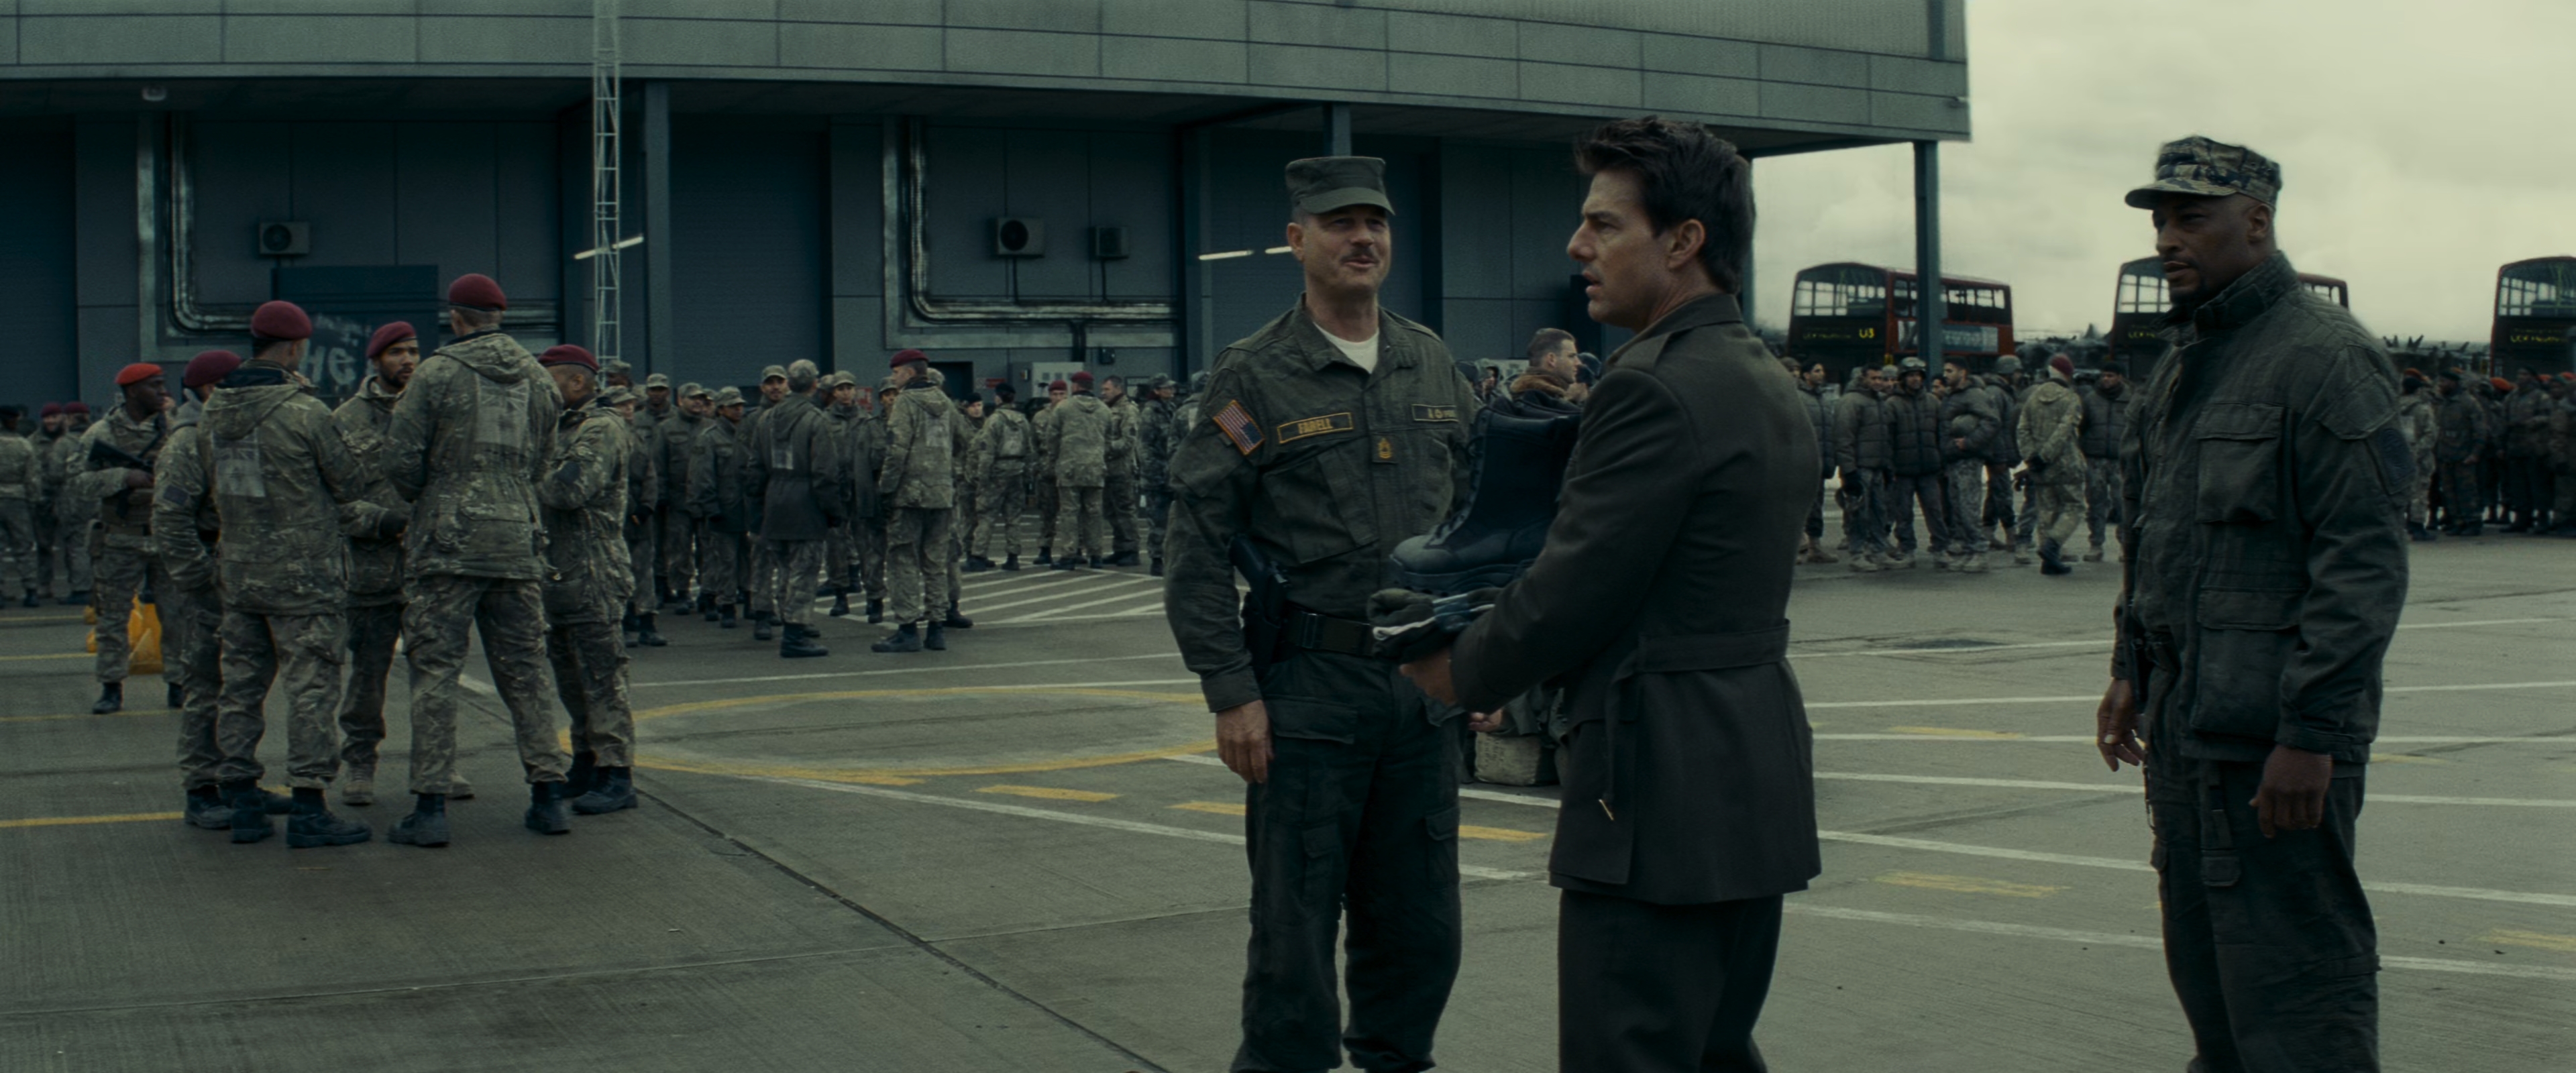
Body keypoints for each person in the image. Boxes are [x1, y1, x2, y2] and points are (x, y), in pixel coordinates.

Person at [1402, 116, 1815, 1073]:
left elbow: (1573, 586)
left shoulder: (1649, 388)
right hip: (1747, 767)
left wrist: (1459, 670)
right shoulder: (1759, 375)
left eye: (1604, 224)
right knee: (1712, 1049)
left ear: (1684, 241)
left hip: (1656, 784)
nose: (1577, 246)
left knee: (1625, 1051)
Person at [1161, 154, 1478, 1073]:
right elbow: (1196, 542)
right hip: (1308, 692)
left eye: (1375, 223)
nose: (1362, 239)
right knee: (1294, 926)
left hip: (1420, 689)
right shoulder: (1255, 374)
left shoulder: (1429, 359)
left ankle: (1397, 1061)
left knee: (1422, 920)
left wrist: (1486, 654)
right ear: (1297, 241)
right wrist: (1232, 692)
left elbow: (1476, 517)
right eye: (1340, 224)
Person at [2098, 135, 2406, 1073]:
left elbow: (2361, 568)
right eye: (2161, 221)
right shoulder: (2184, 364)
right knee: (2212, 986)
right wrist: (2128, 668)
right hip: (2187, 728)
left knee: (2298, 990)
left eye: (2192, 218)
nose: (2167, 239)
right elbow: (2155, 535)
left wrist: (2312, 735)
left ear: (2258, 221)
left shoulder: (2327, 359)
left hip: (2272, 740)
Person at [378, 273, 573, 847]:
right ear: (500, 315)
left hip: (448, 540)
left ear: (456, 317)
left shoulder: (436, 373)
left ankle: (431, 807)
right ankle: (549, 795)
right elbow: (544, 464)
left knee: (436, 670)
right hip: (516, 537)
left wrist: (437, 495)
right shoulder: (539, 380)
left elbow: (401, 460)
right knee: (526, 669)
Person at [193, 300, 388, 848]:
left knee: (241, 688)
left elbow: (211, 483)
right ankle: (308, 806)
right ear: (297, 347)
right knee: (311, 690)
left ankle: (241, 800)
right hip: (305, 576)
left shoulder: (213, 412)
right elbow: (350, 482)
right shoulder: (306, 412)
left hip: (240, 571)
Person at [330, 321, 459, 807]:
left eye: (414, 351)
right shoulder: (346, 420)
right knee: (367, 676)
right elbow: (336, 503)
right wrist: (385, 522)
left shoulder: (436, 410)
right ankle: (360, 761)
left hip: (430, 569)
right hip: (372, 572)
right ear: (376, 360)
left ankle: (440, 765)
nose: (408, 360)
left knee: (436, 673)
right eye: (397, 353)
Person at [151, 349, 265, 830]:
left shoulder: (227, 431)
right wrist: (200, 579)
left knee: (241, 686)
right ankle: (200, 789)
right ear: (210, 389)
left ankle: (238, 780)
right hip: (208, 582)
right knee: (204, 684)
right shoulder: (187, 439)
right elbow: (170, 518)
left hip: (240, 578)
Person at [533, 344, 644, 809]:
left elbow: (568, 490)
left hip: (594, 571)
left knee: (602, 676)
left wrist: (524, 468)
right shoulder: (558, 428)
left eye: (549, 380)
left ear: (578, 382)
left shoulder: (601, 428)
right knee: (570, 676)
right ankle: (586, 758)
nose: (540, 391)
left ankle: (617, 773)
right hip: (560, 572)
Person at [78, 362, 175, 714]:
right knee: (112, 617)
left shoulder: (174, 429)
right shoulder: (101, 434)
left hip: (166, 535)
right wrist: (123, 478)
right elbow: (78, 483)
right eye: (154, 385)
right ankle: (111, 686)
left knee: (177, 615)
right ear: (132, 391)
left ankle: (179, 683)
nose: (162, 392)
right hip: (120, 538)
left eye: (162, 384)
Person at [744, 359, 845, 657]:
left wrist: (758, 508)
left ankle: (789, 624)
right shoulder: (816, 420)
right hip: (806, 502)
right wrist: (834, 511)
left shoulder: (766, 419)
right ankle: (795, 634)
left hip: (775, 499)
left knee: (785, 569)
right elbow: (825, 473)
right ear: (815, 384)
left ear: (788, 383)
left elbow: (755, 469)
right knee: (805, 570)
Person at [874, 350, 968, 653]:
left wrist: (885, 491)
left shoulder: (906, 402)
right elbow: (963, 441)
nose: (894, 379)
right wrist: (944, 469)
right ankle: (936, 629)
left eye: (896, 373)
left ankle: (907, 629)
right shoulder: (945, 402)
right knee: (936, 562)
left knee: (903, 560)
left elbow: (896, 451)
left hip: (910, 496)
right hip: (941, 495)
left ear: (910, 373)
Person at [688, 387, 753, 628]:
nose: (739, 409)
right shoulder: (710, 437)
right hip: (724, 509)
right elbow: (703, 475)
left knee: (748, 558)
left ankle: (749, 599)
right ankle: (726, 605)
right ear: (722, 409)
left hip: (747, 509)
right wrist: (711, 506)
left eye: (740, 405)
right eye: (733, 406)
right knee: (725, 560)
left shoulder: (748, 434)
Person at [2017, 355, 2087, 575]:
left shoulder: (2032, 398)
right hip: (2066, 464)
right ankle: (2053, 545)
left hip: (2041, 468)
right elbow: (2065, 431)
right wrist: (2046, 455)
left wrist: (2032, 457)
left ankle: (2049, 562)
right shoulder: (2071, 398)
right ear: (2067, 374)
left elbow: (2022, 429)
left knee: (2046, 510)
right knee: (2074, 507)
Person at [1881, 357, 1946, 567]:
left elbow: (1941, 434)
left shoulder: (1933, 402)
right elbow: (1887, 439)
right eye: (1911, 375)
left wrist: (1941, 460)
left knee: (1935, 511)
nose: (1915, 379)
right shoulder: (1892, 404)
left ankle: (1940, 549)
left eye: (1918, 375)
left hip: (1929, 468)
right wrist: (1890, 467)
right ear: (1902, 378)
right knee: (1904, 513)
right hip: (1903, 470)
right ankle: (1907, 549)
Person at [1936, 357, 1999, 573]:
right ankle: (1967, 550)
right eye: (1945, 371)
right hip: (1953, 458)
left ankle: (1979, 551)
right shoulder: (1951, 396)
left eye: (1950, 371)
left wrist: (1970, 443)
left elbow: (1992, 421)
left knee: (1968, 507)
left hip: (1968, 459)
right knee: (1957, 506)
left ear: (1963, 373)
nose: (1946, 375)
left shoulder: (1974, 395)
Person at [1044, 371, 1111, 570]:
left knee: (1069, 513)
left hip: (1070, 467)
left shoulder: (1063, 408)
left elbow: (1052, 438)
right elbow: (1109, 439)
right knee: (1094, 512)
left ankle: (1069, 555)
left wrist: (1055, 460)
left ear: (1075, 386)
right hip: (1095, 467)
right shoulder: (1104, 410)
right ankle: (1096, 555)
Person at [1831, 365, 1894, 571]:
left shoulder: (1879, 402)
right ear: (1862, 379)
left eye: (1881, 378)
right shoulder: (1851, 402)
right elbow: (1844, 438)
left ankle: (1878, 551)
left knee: (1879, 511)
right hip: (1860, 467)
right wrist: (1849, 471)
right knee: (1859, 513)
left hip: (1877, 467)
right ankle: (1857, 553)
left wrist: (1887, 465)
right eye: (1874, 378)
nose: (1878, 382)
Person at [654, 379, 707, 615]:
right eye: (693, 398)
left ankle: (708, 592)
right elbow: (659, 465)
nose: (698, 402)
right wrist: (662, 496)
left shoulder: (710, 427)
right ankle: (683, 592)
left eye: (701, 398)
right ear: (680, 400)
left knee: (708, 548)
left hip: (705, 499)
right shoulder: (667, 429)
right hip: (678, 499)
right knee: (679, 548)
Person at [969, 385, 1032, 571]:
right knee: (1013, 516)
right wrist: (1028, 475)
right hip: (1017, 470)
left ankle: (979, 555)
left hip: (997, 471)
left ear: (998, 398)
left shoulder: (994, 420)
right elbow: (1030, 450)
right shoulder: (1023, 420)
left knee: (986, 515)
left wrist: (982, 478)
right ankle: (1013, 556)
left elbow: (987, 452)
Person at [2078, 362, 2131, 561]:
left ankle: (2125, 544)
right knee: (2095, 503)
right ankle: (2096, 544)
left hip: (2120, 460)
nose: (2106, 379)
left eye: (2110, 376)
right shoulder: (2091, 400)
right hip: (2095, 458)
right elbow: (2081, 427)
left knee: (2123, 503)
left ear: (2120, 377)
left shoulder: (2130, 400)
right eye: (2104, 376)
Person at [1790, 360, 1838, 564]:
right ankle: (1794, 548)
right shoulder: (1797, 398)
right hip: (1804, 461)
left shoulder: (1824, 400)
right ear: (1806, 375)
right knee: (1800, 506)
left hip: (1820, 461)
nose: (1821, 374)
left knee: (1817, 507)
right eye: (1817, 371)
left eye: (1822, 370)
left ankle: (1815, 547)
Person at [1136, 377, 1179, 575]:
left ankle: (1171, 557)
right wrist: (1154, 472)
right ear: (1157, 390)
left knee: (1173, 521)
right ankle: (1156, 558)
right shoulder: (1150, 413)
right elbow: (1144, 446)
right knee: (1157, 520)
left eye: (1171, 387)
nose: (1171, 390)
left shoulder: (1171, 409)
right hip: (1156, 475)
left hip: (1171, 473)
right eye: (1166, 388)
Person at [2433, 370, 2484, 535]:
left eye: (2444, 382)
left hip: (2463, 456)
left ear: (2453, 383)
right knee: (2449, 492)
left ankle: (2473, 522)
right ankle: (2458, 522)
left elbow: (2480, 430)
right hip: (2445, 455)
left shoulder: (2468, 403)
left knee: (2467, 491)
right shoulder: (2443, 403)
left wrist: (2475, 453)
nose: (2441, 385)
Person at [1100, 376, 1144, 566]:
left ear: (1118, 389)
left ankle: (1131, 550)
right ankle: (1120, 549)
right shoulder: (1106, 409)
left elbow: (1128, 441)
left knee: (1125, 511)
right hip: (1107, 469)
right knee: (1112, 511)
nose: (1103, 393)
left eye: (1107, 389)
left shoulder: (1128, 410)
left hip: (1122, 468)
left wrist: (1103, 448)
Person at [2394, 372, 2438, 541]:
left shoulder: (2394, 409)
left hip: (2397, 456)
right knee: (2419, 493)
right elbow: (2431, 434)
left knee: (2400, 492)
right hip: (2419, 458)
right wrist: (2418, 452)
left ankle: (2401, 525)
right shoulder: (2423, 409)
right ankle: (2417, 526)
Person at [1031, 379, 1067, 564]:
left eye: (1061, 394)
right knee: (1047, 512)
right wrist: (1035, 467)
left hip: (1068, 468)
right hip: (1047, 470)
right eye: (1054, 394)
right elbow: (1033, 445)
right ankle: (1045, 549)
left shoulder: (1072, 414)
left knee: (1071, 513)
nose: (1058, 398)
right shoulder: (1040, 417)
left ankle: (1074, 549)